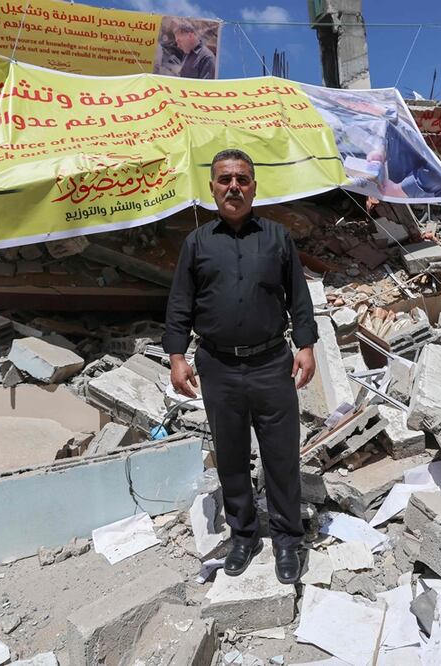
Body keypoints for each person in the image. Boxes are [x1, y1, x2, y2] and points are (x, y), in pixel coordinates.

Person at [163, 149, 316, 584]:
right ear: (211, 187)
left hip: (272, 364)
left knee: (282, 455)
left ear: (254, 187)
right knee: (230, 456)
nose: (234, 186)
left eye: (242, 179)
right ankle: (244, 535)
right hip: (218, 368)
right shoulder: (196, 244)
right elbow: (179, 305)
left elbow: (298, 298)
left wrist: (305, 345)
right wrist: (177, 356)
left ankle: (288, 539)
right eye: (225, 179)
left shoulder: (277, 238)